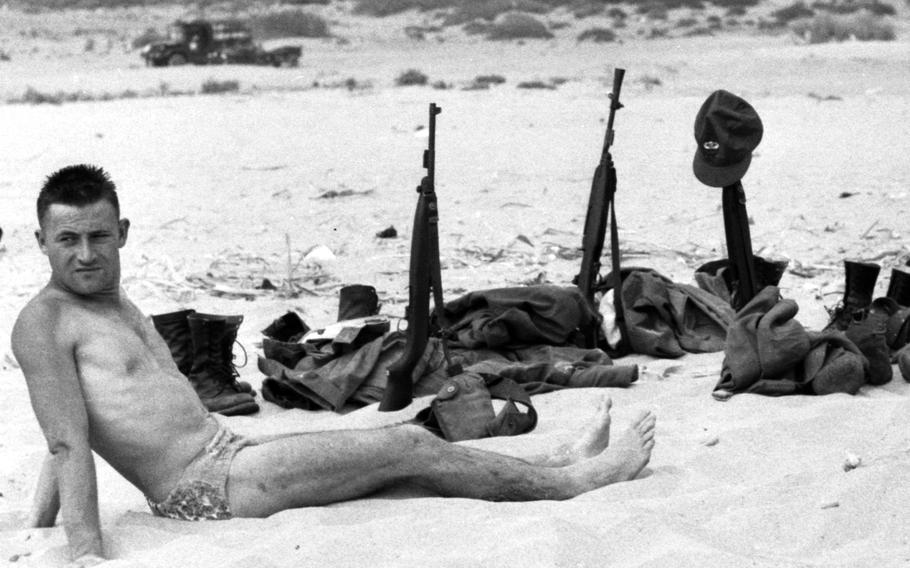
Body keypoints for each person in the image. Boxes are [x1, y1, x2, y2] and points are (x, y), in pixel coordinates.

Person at [12, 164, 657, 566]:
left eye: (98, 236)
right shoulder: (45, 323)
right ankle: (577, 482)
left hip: (229, 454)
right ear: (41, 242)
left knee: (391, 467)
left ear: (123, 232)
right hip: (206, 491)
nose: (86, 254)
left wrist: (34, 522)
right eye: (67, 240)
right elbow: (68, 442)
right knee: (407, 441)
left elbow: (64, 428)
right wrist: (82, 554)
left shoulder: (109, 298)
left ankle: (551, 463)